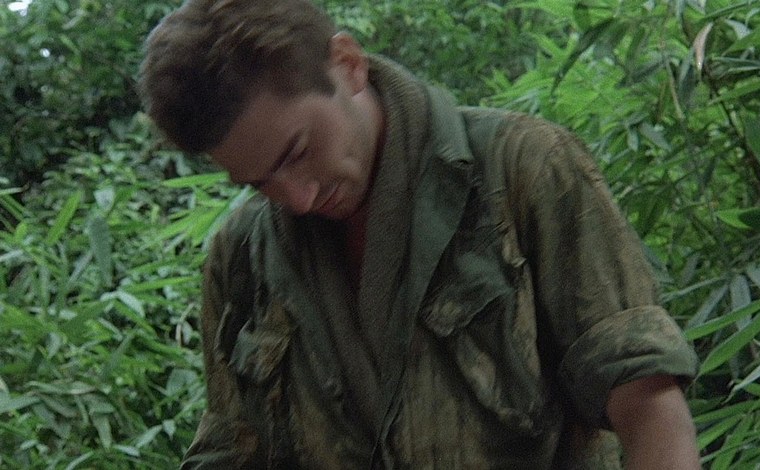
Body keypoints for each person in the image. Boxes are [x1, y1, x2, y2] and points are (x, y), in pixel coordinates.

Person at [139, 0, 701, 468]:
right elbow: (231, 447)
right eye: (259, 183)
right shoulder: (241, 256)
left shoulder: (524, 171)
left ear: (347, 64)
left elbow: (646, 400)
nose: (298, 198)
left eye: (298, 152)